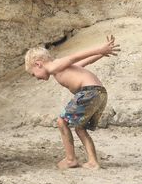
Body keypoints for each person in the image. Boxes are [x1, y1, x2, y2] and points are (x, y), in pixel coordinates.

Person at [25, 35, 120, 170]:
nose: (36, 78)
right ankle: (93, 162)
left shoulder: (54, 66)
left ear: (38, 64)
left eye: (33, 74)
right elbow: (85, 63)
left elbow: (74, 57)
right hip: (100, 93)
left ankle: (70, 159)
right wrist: (101, 54)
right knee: (79, 128)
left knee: (61, 121)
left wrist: (100, 49)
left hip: (89, 92)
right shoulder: (61, 69)